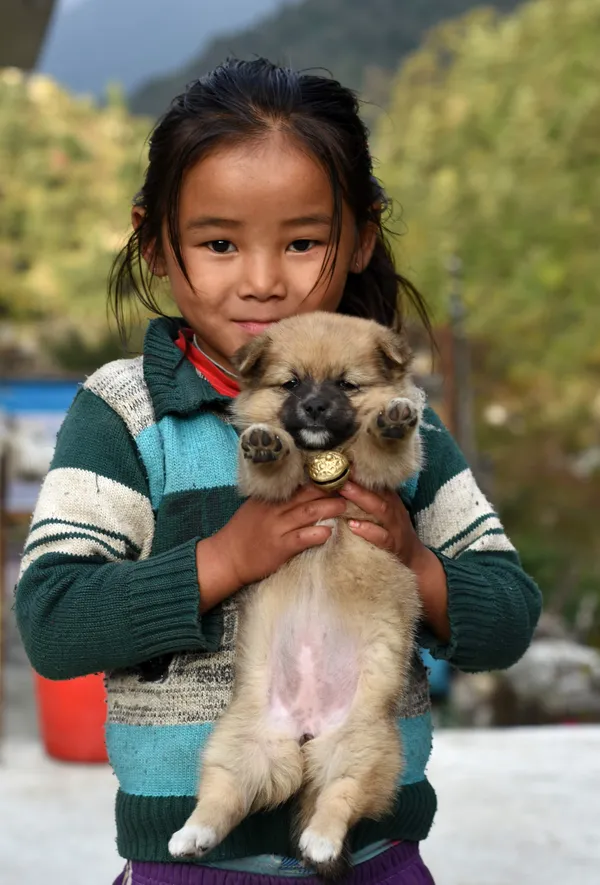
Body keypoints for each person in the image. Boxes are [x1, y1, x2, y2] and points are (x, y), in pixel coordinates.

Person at [15, 58, 541, 885]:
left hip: (374, 856)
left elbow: (509, 612)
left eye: (302, 241)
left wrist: (413, 559)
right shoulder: (126, 415)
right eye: (219, 242)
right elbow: (53, 619)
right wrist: (224, 558)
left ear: (361, 235)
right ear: (154, 239)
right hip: (186, 864)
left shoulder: (398, 415)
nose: (262, 281)